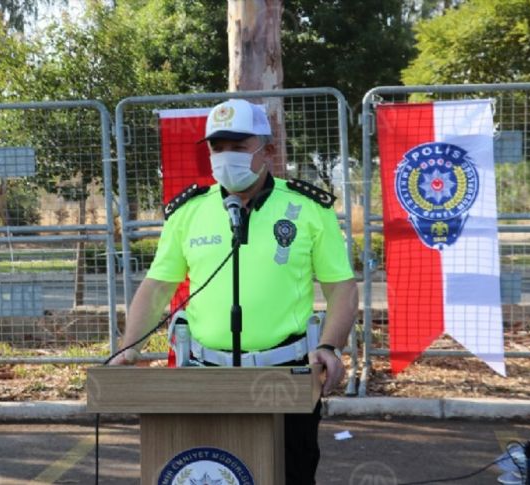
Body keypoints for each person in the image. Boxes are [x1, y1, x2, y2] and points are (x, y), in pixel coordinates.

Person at [109, 98, 358, 484]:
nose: (226, 157)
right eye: (217, 147)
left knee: (290, 475)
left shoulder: (308, 208)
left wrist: (329, 345)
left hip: (284, 378)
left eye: (238, 147)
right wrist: (129, 348)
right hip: (205, 377)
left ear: (268, 150)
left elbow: (341, 286)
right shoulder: (188, 212)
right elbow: (158, 285)